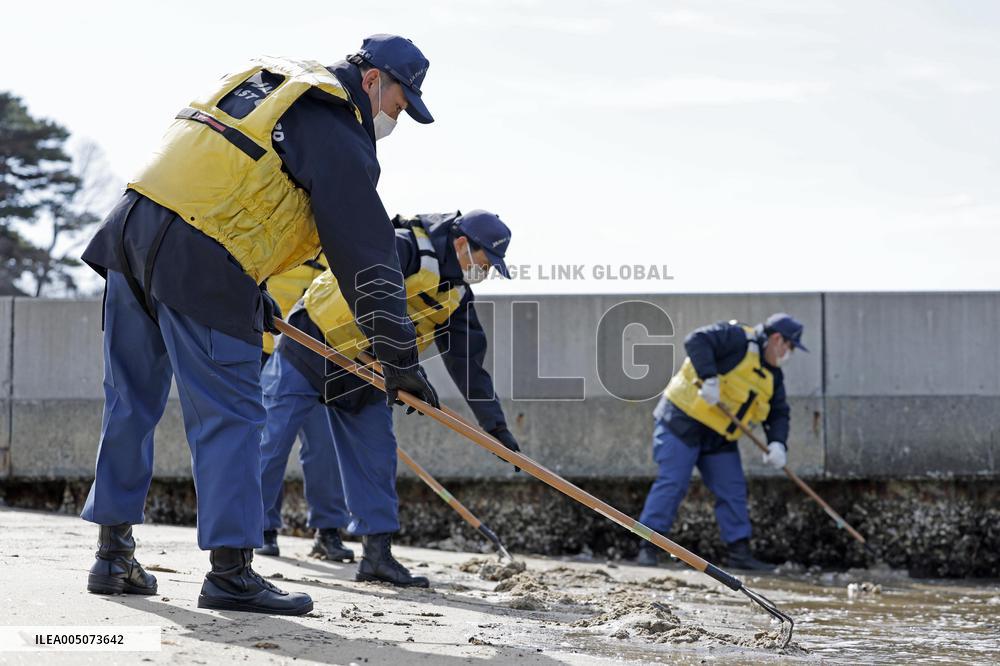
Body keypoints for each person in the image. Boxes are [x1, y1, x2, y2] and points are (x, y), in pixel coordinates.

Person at [77, 34, 440, 615]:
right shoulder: (335, 123)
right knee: (232, 417)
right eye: (400, 103)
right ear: (373, 81)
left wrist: (253, 290)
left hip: (132, 229)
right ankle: (231, 573)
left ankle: (112, 557)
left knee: (128, 404)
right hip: (200, 259)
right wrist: (398, 355)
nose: (396, 117)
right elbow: (365, 254)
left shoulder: (273, 79)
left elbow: (233, 182)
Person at [259, 210, 520, 587]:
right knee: (271, 441)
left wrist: (495, 429)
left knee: (376, 455)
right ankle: (243, 542)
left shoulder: (456, 297)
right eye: (485, 262)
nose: (487, 271)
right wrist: (404, 363)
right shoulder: (401, 246)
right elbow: (373, 297)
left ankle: (377, 556)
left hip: (373, 372)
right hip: (313, 345)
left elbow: (469, 366)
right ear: (463, 244)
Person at [636, 314, 807, 571]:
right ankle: (647, 546)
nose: (789, 354)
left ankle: (739, 553)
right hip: (682, 422)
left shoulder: (774, 378)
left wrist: (778, 444)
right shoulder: (737, 338)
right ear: (776, 338)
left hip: (718, 437)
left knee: (733, 489)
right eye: (790, 346)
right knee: (673, 482)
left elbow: (778, 413)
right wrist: (710, 377)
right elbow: (696, 340)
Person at [256, 258, 355, 563]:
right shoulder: (278, 241)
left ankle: (328, 531)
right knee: (271, 446)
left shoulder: (336, 250)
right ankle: (261, 528)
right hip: (267, 355)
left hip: (318, 364)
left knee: (324, 448)